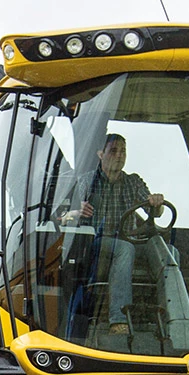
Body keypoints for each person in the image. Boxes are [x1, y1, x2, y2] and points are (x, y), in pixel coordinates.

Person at [57, 134, 164, 335]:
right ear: (101, 154)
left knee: (166, 251)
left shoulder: (133, 182)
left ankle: (171, 315)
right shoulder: (86, 181)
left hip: (130, 240)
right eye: (113, 151)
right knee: (124, 249)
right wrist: (76, 212)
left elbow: (153, 211)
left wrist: (157, 203)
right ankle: (119, 319)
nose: (119, 155)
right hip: (97, 243)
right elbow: (61, 217)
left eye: (123, 151)